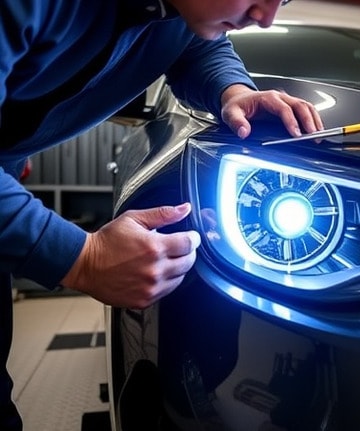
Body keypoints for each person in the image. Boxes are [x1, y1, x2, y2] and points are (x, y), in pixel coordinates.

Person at [0, 0, 324, 427]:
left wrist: (235, 91)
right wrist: (83, 258)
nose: (265, 17)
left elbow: (195, 46)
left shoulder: (179, 12)